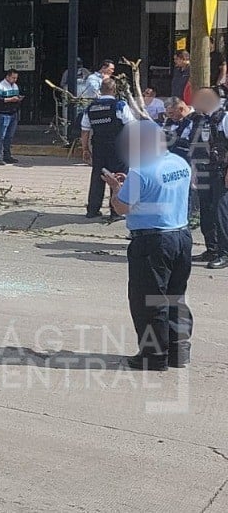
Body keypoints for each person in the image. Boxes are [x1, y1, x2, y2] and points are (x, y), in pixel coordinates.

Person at [101, 122, 193, 370]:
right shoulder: (179, 163)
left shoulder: (141, 170)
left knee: (149, 301)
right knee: (175, 296)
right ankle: (178, 350)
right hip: (181, 236)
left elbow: (122, 207)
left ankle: (153, 356)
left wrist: (116, 188)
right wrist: (129, 184)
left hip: (152, 241)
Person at [81, 77, 137, 220]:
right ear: (114, 90)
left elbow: (85, 130)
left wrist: (85, 149)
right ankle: (116, 211)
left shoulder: (90, 107)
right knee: (118, 177)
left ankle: (92, 210)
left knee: (97, 178)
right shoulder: (119, 105)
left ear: (101, 90)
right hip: (118, 147)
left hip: (99, 147)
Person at [188, 88, 228, 268]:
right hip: (203, 170)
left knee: (221, 214)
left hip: (220, 171)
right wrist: (194, 171)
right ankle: (211, 249)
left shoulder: (224, 118)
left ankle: (224, 253)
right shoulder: (198, 119)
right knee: (206, 213)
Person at [0, 69, 24, 165]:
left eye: (16, 78)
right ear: (7, 77)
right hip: (3, 113)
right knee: (1, 136)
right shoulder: (0, 86)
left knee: (9, 136)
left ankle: (7, 155)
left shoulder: (15, 86)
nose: (15, 80)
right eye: (13, 77)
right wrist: (10, 99)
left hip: (13, 113)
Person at [163, 96, 195, 161]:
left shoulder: (198, 118)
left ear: (180, 109)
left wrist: (172, 139)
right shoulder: (170, 120)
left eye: (171, 113)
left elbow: (193, 144)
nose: (169, 116)